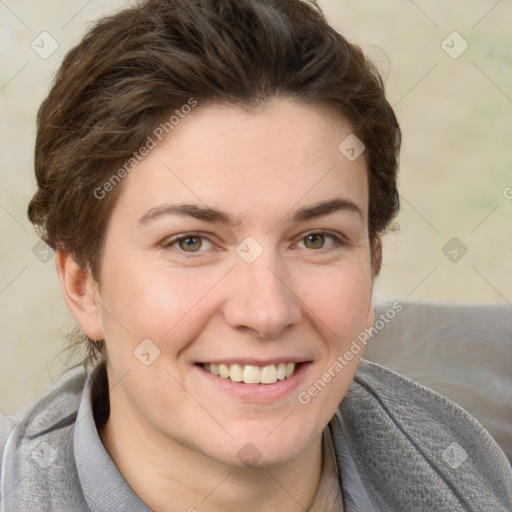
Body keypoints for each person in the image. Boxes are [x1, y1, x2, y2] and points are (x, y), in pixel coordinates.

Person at [1, 0, 511, 510]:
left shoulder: (480, 471)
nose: (267, 312)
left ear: (373, 259)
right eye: (191, 242)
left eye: (316, 239)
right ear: (82, 284)